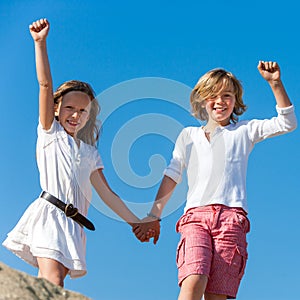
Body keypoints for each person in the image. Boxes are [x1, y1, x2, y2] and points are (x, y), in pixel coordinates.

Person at [134, 61, 297, 299]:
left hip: (232, 221)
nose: (220, 101)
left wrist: (275, 83)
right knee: (194, 279)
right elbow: (172, 175)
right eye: (213, 95)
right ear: (202, 101)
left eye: (227, 95)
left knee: (217, 295)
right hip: (195, 218)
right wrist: (154, 214)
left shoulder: (245, 131)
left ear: (236, 101)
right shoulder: (188, 135)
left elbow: (287, 123)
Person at [2, 18, 142, 288]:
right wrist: (40, 43)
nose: (75, 115)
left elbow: (108, 194)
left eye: (82, 111)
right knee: (52, 279)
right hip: (50, 213)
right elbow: (44, 86)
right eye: (69, 108)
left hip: (75, 225)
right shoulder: (50, 133)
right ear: (56, 108)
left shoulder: (90, 153)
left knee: (58, 284)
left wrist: (135, 223)